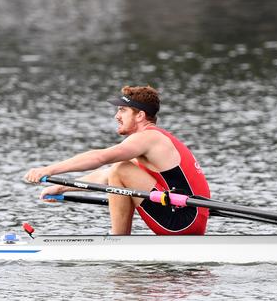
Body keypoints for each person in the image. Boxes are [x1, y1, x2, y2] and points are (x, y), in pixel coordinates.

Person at [24, 85, 210, 235]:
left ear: (140, 115)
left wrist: (49, 170)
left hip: (181, 221)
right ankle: (119, 240)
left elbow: (99, 158)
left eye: (122, 110)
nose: (116, 116)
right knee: (118, 170)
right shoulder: (153, 141)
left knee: (120, 168)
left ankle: (118, 240)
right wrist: (60, 188)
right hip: (189, 218)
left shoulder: (148, 138)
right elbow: (105, 176)